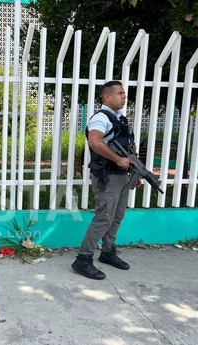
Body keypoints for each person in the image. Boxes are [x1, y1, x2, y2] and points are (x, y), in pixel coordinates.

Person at [71, 80, 139, 280]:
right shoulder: (101, 118)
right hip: (107, 176)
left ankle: (108, 252)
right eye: (119, 93)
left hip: (121, 176)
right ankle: (83, 259)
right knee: (104, 218)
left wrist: (137, 171)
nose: (123, 96)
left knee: (117, 216)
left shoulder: (121, 119)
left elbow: (128, 149)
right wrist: (118, 159)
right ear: (107, 96)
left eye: (124, 93)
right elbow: (95, 141)